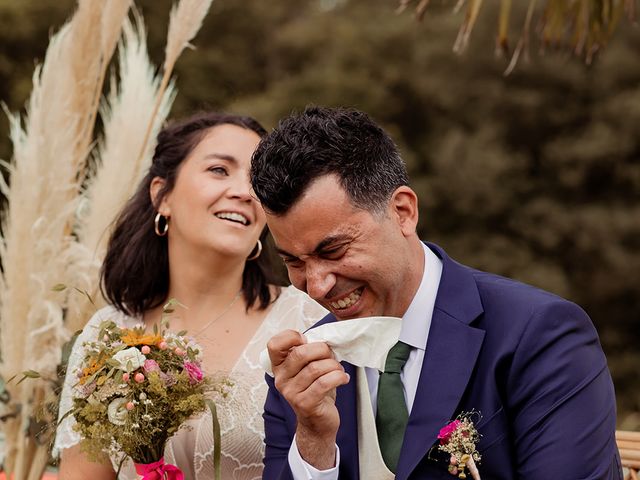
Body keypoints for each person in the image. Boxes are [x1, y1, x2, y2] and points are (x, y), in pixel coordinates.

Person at [250, 106, 622, 480]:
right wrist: (314, 441)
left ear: (403, 212)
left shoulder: (540, 335)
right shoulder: (302, 370)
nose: (316, 285)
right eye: (293, 261)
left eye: (333, 251)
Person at [54, 112, 327, 480]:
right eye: (219, 170)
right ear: (162, 195)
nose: (245, 192)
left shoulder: (310, 322)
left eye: (256, 180)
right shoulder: (107, 333)